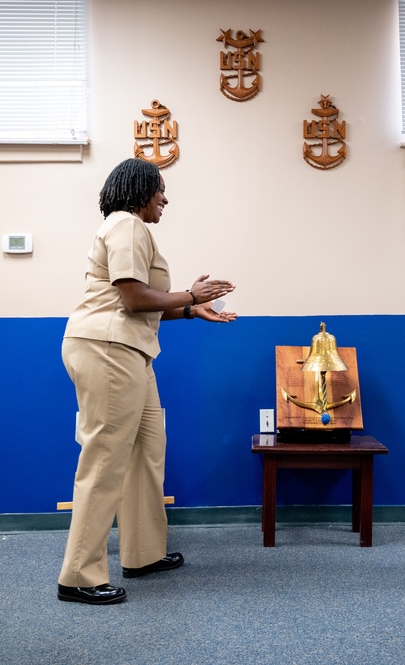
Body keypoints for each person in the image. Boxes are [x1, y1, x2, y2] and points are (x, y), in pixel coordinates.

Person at [57, 157, 236, 605]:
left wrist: (191, 308)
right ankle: (78, 575)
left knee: (146, 451)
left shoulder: (135, 231)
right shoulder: (127, 226)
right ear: (140, 191)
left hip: (131, 352)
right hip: (108, 350)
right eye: (160, 189)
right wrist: (192, 295)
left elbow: (146, 304)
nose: (165, 198)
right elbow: (134, 297)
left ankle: (142, 553)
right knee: (105, 460)